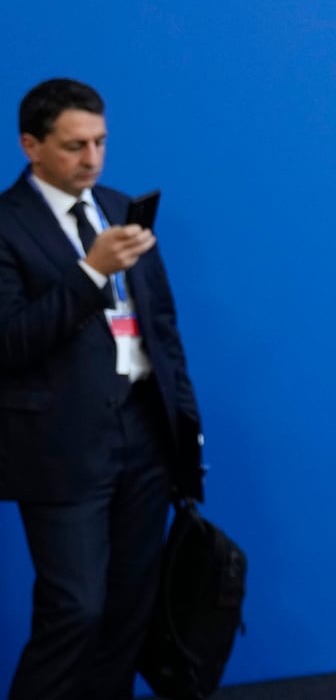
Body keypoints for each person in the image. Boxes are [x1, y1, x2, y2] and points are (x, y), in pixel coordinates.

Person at [0, 78, 204, 700]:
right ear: (30, 145)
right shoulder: (7, 225)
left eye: (100, 142)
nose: (91, 158)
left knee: (127, 611)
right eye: (74, 146)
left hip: (142, 434)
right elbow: (8, 344)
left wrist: (185, 427)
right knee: (75, 610)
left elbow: (160, 330)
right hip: (60, 446)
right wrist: (93, 272)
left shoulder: (117, 206)